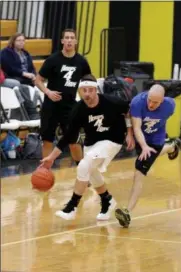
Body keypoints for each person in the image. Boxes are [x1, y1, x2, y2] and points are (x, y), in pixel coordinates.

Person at [39, 74, 135, 221]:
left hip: (112, 140)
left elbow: (129, 109)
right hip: (91, 144)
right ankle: (107, 200)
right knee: (91, 172)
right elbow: (69, 136)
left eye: (91, 90)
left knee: (84, 165)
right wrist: (51, 158)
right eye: (84, 90)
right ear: (79, 91)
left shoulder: (111, 101)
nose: (88, 93)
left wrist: (129, 132)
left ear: (96, 90)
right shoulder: (78, 110)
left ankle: (71, 207)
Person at [115, 84, 181, 228]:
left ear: (162, 100)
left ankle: (127, 211)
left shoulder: (170, 105)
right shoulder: (138, 102)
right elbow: (137, 126)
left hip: (156, 140)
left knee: (139, 173)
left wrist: (150, 145)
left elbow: (164, 119)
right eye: (150, 100)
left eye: (156, 102)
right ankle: (172, 147)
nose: (151, 104)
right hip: (142, 139)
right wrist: (135, 138)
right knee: (150, 157)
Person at [35, 28, 91, 163]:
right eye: (67, 38)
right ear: (62, 41)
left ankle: (82, 171)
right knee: (48, 140)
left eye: (72, 38)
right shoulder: (53, 59)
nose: (69, 40)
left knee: (74, 140)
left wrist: (86, 98)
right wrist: (48, 92)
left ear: (76, 41)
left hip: (70, 106)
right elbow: (38, 80)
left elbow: (87, 82)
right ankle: (44, 170)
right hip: (51, 106)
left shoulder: (82, 61)